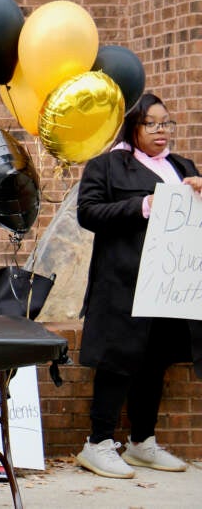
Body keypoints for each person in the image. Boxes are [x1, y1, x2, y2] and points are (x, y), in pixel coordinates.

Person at [75, 92, 202, 479]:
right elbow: (88, 213)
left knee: (154, 362)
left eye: (167, 123)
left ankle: (141, 442)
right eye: (152, 124)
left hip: (170, 283)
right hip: (123, 283)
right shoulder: (108, 166)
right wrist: (142, 205)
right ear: (133, 126)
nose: (162, 131)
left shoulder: (182, 166)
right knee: (117, 361)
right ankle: (98, 444)